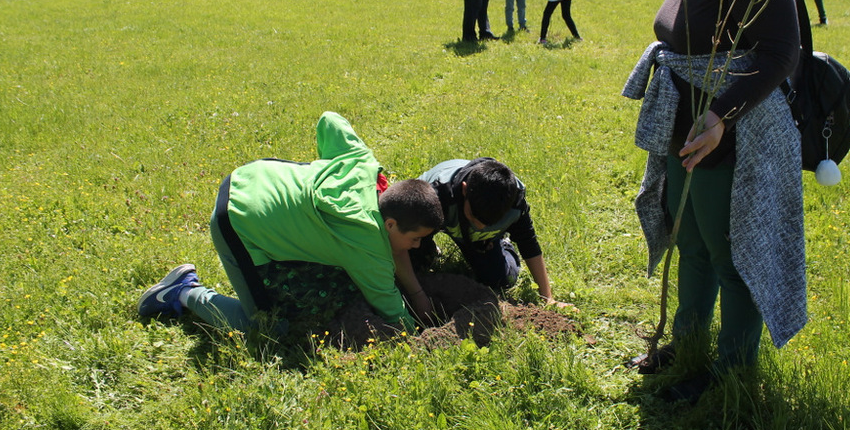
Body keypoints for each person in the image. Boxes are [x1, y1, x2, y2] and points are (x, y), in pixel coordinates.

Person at [621, 0, 806, 404]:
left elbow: (783, 53)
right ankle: (688, 342)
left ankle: (728, 372)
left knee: (732, 255)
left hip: (732, 135)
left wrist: (723, 114)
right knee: (692, 243)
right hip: (687, 123)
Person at [137, 112, 445, 333]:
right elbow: (390, 307)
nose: (416, 246)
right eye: (415, 239)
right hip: (237, 220)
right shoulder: (368, 246)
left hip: (254, 175)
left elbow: (330, 120)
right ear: (390, 224)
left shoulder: (363, 164)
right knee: (265, 326)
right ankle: (183, 291)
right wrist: (416, 332)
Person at [401, 158, 569, 307]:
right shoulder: (438, 194)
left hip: (475, 239)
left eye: (489, 223)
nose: (480, 227)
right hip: (431, 218)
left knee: (499, 279)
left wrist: (548, 298)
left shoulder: (513, 200)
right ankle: (428, 248)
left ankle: (502, 245)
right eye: (474, 217)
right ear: (465, 190)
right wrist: (417, 296)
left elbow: (529, 243)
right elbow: (401, 235)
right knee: (411, 264)